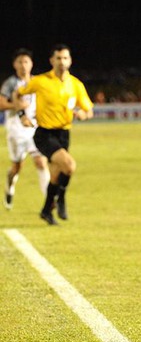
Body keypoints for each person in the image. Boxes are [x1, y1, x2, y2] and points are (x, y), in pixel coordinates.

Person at [14, 44, 94, 225]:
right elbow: (17, 94)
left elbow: (89, 110)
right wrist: (22, 116)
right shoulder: (41, 81)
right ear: (51, 60)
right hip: (44, 134)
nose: (61, 62)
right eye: (58, 58)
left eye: (65, 58)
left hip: (64, 134)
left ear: (70, 60)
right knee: (70, 165)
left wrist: (83, 114)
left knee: (56, 175)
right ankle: (62, 200)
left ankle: (46, 211)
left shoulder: (76, 84)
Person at [0, 48, 49, 209]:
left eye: (26, 61)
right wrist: (16, 105)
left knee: (41, 162)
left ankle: (49, 201)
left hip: (35, 128)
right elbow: (1, 104)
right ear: (15, 64)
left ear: (31, 64)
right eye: (20, 62)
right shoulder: (11, 83)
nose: (23, 65)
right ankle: (9, 186)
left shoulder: (37, 82)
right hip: (16, 130)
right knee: (17, 167)